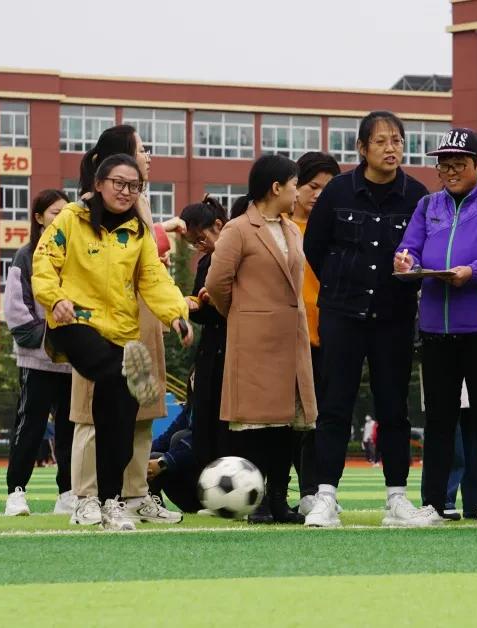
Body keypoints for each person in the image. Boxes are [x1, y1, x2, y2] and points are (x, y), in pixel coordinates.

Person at [33, 153, 193, 532]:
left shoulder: (137, 232)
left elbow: (153, 278)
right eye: (118, 183)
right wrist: (55, 299)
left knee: (119, 415)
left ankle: (109, 502)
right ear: (99, 184)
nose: (125, 191)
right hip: (73, 322)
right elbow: (44, 264)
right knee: (113, 380)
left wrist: (175, 316)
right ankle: (87, 499)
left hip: (119, 331)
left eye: (133, 186)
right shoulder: (72, 219)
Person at [302, 111, 432, 528]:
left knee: (394, 408)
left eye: (397, 140)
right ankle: (326, 496)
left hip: (393, 315)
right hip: (342, 312)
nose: (391, 148)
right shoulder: (339, 191)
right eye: (381, 141)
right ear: (362, 148)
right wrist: (345, 284)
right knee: (334, 404)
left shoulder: (417, 196)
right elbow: (315, 247)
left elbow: (426, 250)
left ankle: (396, 497)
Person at [395, 127, 477, 527]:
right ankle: (433, 503)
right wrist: (404, 260)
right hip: (436, 328)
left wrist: (474, 272)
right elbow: (410, 247)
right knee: (438, 420)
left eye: (459, 164)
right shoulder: (428, 205)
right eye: (444, 165)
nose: (450, 171)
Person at [65, 126, 184, 527]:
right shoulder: (84, 209)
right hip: (98, 319)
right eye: (140, 149)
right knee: (93, 412)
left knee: (142, 406)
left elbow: (149, 258)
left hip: (143, 314)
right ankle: (87, 495)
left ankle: (134, 494)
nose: (147, 155)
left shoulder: (139, 202)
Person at [204, 154, 317, 525]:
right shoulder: (238, 229)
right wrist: (244, 315)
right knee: (255, 426)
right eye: (294, 184)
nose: (297, 192)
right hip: (254, 341)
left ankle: (280, 499)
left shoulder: (292, 230)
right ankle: (258, 502)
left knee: (286, 425)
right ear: (276, 187)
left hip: (292, 337)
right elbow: (216, 285)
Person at [3, 189, 75, 516]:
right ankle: (16, 491)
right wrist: (43, 338)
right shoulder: (26, 255)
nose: (59, 219)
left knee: (69, 429)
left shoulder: (76, 256)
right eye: (53, 213)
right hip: (38, 358)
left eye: (65, 213)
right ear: (38, 217)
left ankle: (68, 492)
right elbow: (16, 308)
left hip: (75, 360)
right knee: (30, 426)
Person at [289, 151, 340, 514]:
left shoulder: (336, 227)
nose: (319, 194)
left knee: (320, 417)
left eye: (328, 187)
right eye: (312, 186)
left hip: (330, 335)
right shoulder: (281, 226)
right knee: (290, 419)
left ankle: (313, 491)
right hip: (291, 337)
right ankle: (283, 489)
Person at [180, 195, 230, 475]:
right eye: (192, 244)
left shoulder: (239, 254)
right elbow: (204, 312)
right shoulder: (205, 263)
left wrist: (217, 299)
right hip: (211, 349)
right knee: (204, 418)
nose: (199, 247)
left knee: (227, 423)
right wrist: (194, 305)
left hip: (236, 347)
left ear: (219, 226)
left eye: (200, 239)